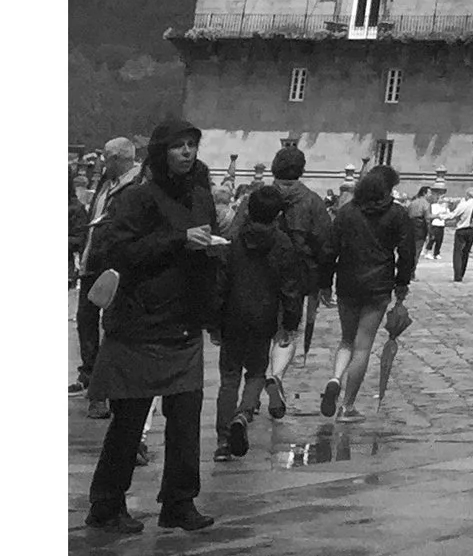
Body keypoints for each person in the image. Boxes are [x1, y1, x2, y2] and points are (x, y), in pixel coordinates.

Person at [83, 120, 225, 534]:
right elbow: (118, 250)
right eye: (178, 146)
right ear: (161, 152)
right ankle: (107, 504)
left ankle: (179, 502)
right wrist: (179, 239)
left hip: (183, 323)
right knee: (129, 422)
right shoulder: (138, 198)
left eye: (192, 145)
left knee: (186, 419)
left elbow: (203, 245)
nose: (186, 152)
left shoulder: (201, 197)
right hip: (140, 324)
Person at [212, 183, 308, 459]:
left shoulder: (234, 239)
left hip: (233, 315)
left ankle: (223, 440)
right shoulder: (283, 244)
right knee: (255, 372)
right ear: (277, 214)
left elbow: (221, 283)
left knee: (228, 378)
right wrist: (290, 321)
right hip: (264, 317)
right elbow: (290, 287)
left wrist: (214, 321)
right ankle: (243, 414)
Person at [321, 165, 419, 420]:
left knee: (346, 340)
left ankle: (335, 378)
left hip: (347, 282)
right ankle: (348, 406)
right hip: (378, 285)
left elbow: (330, 249)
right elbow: (406, 251)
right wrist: (402, 282)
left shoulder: (346, 213)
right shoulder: (397, 214)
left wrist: (324, 283)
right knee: (363, 347)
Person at [261, 142, 336, 419]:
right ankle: (276, 375)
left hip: (260, 273)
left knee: (260, 330)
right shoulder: (313, 201)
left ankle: (253, 389)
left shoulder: (258, 196)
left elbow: (237, 232)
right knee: (288, 329)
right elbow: (326, 244)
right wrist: (325, 281)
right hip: (299, 275)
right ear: (301, 170)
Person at [71, 136, 144, 408]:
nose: (101, 161)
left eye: (105, 157)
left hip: (113, 264)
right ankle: (89, 373)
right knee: (85, 318)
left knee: (112, 324)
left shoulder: (135, 185)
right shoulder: (106, 181)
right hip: (92, 261)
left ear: (118, 159)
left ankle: (106, 385)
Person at [448, 186, 473, 283]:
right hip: (472, 230)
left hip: (462, 229)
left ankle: (457, 275)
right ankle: (462, 272)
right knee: (466, 252)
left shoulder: (464, 204)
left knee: (458, 253)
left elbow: (453, 215)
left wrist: (440, 216)